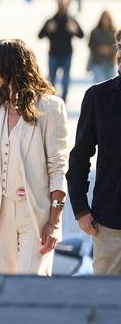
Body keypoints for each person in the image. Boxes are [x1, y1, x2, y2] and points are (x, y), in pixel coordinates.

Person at [0, 40, 68, 275]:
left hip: (35, 217)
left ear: (8, 67)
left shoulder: (50, 108)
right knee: (5, 294)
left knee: (31, 287)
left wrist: (54, 222)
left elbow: (59, 170)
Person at [68, 28, 121, 275]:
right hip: (110, 224)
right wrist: (80, 208)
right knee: (106, 303)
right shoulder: (98, 97)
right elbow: (79, 156)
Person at [38, 0, 84, 102]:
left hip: (67, 54)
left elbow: (82, 35)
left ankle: (63, 99)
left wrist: (74, 30)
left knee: (66, 79)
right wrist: (48, 30)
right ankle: (51, 99)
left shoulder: (71, 20)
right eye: (60, 1)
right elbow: (40, 35)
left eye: (64, 2)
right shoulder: (51, 20)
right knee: (51, 78)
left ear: (68, 3)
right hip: (53, 53)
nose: (62, 4)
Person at [88, 10, 118, 84]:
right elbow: (90, 45)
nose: (105, 21)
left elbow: (118, 46)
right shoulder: (95, 32)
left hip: (110, 62)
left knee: (111, 86)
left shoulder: (115, 32)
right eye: (103, 19)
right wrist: (99, 49)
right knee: (100, 85)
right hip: (97, 62)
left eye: (107, 19)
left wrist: (109, 50)